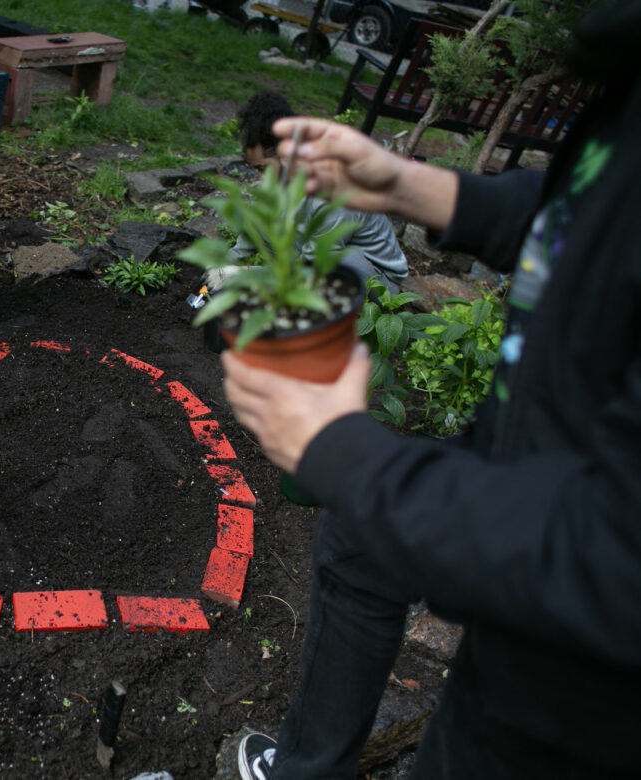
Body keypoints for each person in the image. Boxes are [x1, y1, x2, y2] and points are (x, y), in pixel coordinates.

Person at [223, 2, 641, 778]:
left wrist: (344, 453)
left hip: (586, 693)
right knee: (358, 541)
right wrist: (416, 188)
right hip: (539, 493)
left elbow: (613, 556)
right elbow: (599, 210)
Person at [210, 90, 408, 295]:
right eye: (256, 169)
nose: (261, 178)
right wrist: (224, 265)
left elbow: (313, 269)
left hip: (375, 280)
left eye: (264, 169)